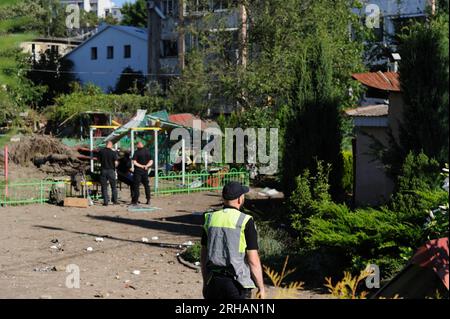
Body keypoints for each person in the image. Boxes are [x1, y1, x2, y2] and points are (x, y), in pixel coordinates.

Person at [201, 182, 266, 299]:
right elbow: (253, 260)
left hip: (214, 283)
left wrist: (205, 282)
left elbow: (204, 254)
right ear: (240, 199)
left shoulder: (210, 218)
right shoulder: (245, 221)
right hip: (237, 284)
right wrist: (261, 287)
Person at [97, 141, 119, 206]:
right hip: (111, 171)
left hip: (103, 170)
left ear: (106, 145)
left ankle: (105, 202)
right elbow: (116, 163)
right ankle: (114, 201)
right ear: (111, 145)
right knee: (113, 187)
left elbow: (98, 160)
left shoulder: (101, 151)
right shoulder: (113, 153)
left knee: (104, 187)